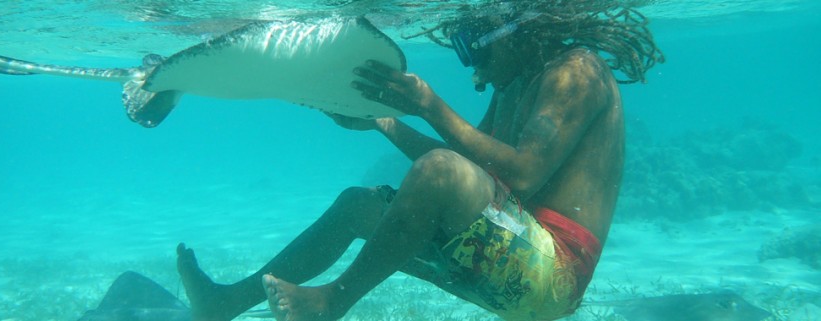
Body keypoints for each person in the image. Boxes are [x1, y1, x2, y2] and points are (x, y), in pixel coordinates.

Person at [177, 3, 664, 321]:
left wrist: (429, 105)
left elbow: (521, 173)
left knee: (439, 171)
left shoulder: (576, 72)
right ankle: (223, 305)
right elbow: (482, 181)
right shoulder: (513, 82)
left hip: (551, 281)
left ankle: (331, 302)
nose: (473, 64)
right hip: (506, 257)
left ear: (514, 30)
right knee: (356, 206)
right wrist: (383, 124)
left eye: (475, 43)